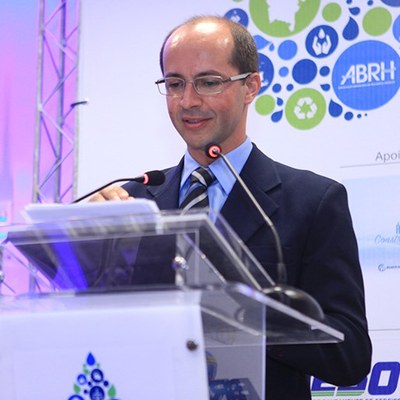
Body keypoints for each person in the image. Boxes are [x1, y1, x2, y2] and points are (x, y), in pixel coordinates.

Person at [91, 15, 372, 400]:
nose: (188, 101)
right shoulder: (133, 202)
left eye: (208, 82)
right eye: (175, 84)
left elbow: (350, 354)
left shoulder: (313, 201)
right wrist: (88, 245)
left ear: (251, 86)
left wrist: (247, 317)